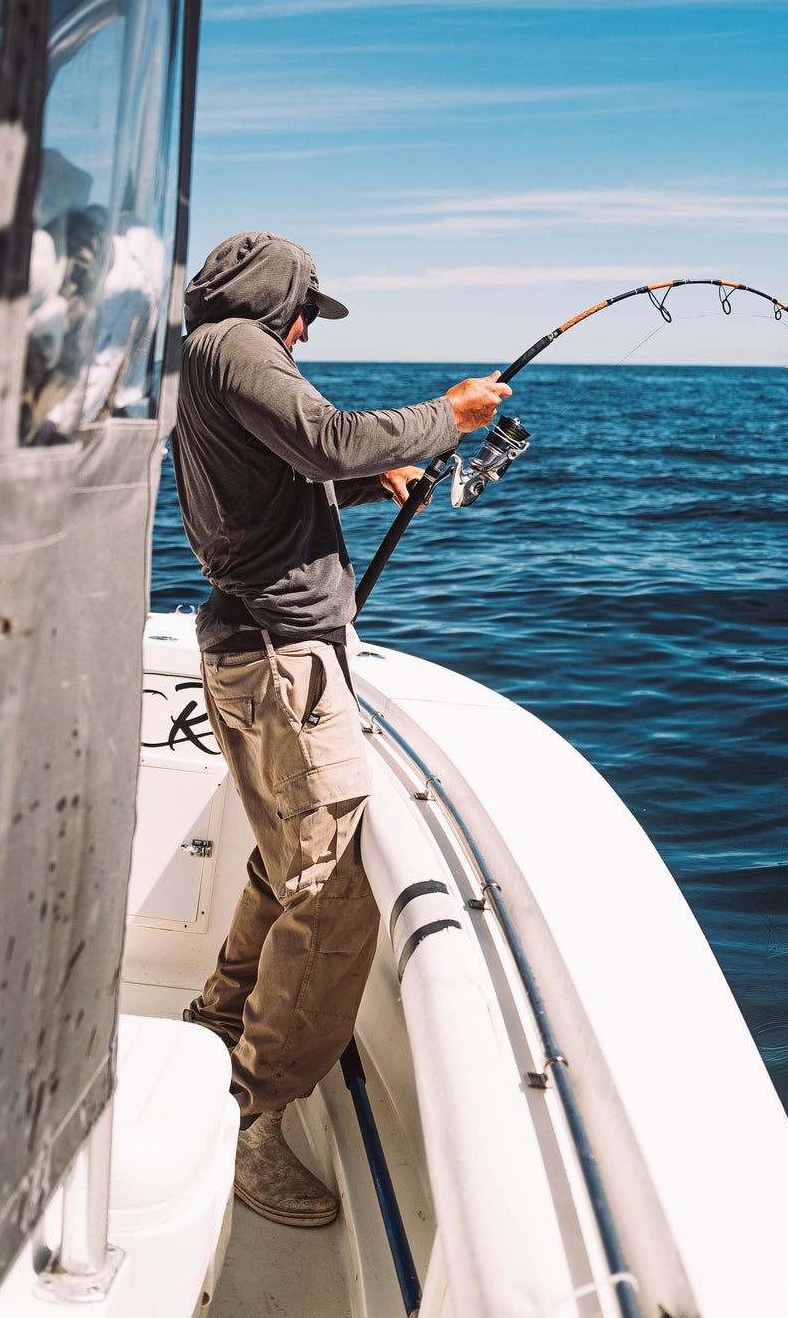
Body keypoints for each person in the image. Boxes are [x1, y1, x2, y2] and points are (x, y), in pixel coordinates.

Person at [171, 231, 509, 1227]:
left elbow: (284, 479)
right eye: (307, 309)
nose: (310, 328)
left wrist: (373, 482)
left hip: (261, 649)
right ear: (277, 298)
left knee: (286, 868)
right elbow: (322, 438)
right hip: (282, 659)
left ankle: (213, 1024)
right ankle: (250, 1114)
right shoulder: (239, 346)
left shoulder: (209, 360)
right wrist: (444, 419)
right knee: (337, 890)